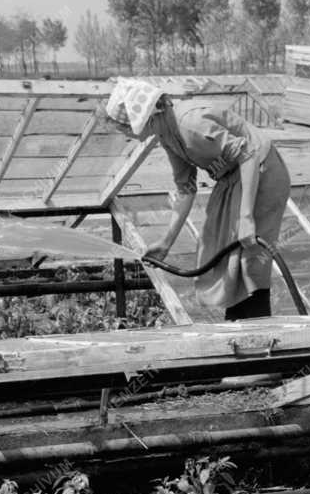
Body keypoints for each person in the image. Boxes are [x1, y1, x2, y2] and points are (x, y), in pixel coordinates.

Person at [104, 78, 291, 320]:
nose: (126, 134)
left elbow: (248, 155)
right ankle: (238, 324)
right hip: (233, 176)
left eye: (124, 128)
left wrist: (246, 217)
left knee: (249, 253)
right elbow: (186, 188)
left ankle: (257, 328)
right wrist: (166, 242)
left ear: (142, 117)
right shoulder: (167, 135)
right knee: (222, 251)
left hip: (262, 172)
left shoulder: (190, 125)